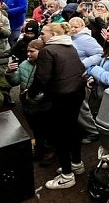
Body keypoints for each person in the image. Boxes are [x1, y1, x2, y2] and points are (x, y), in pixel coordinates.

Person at [27, 23, 87, 190]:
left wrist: (30, 94)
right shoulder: (70, 46)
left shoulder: (48, 50)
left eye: (43, 33)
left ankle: (67, 175)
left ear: (53, 34)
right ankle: (76, 163)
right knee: (73, 128)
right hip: (76, 94)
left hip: (61, 98)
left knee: (60, 135)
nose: (41, 36)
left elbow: (41, 78)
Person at [5, 39, 51, 163]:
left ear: (41, 52)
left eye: (32, 51)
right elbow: (15, 81)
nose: (28, 54)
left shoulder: (47, 65)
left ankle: (48, 151)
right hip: (28, 103)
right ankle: (39, 148)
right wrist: (9, 72)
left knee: (45, 128)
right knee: (35, 128)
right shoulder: (24, 64)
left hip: (42, 103)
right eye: (27, 52)